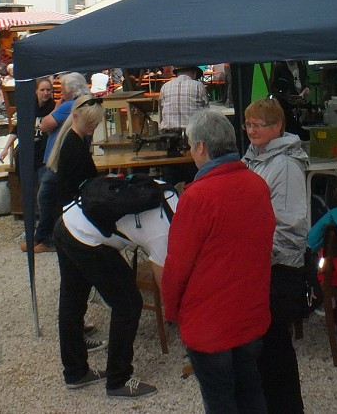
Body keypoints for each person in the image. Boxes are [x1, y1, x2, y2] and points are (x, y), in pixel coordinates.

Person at [162, 110, 275, 413]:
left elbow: (177, 266)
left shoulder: (197, 197)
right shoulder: (257, 184)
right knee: (251, 390)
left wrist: (171, 309)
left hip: (210, 323)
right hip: (250, 313)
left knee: (220, 400)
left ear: (201, 147)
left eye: (189, 145)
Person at [53, 160, 173, 398]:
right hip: (85, 238)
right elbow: (167, 290)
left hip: (66, 221)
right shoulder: (166, 231)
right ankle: (119, 380)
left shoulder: (167, 190)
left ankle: (75, 372)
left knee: (72, 301)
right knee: (128, 304)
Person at [242, 98, 308, 414]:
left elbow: (290, 224)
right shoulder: (256, 158)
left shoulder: (284, 164)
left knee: (275, 348)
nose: (252, 130)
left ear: (277, 127)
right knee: (264, 348)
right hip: (260, 266)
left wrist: (262, 261)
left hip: (278, 268)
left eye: (259, 125)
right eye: (249, 124)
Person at [26, 73, 90, 252]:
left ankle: (45, 239)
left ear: (70, 89)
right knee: (62, 197)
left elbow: (45, 125)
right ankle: (50, 238)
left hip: (58, 157)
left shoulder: (67, 105)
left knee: (45, 196)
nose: (59, 91)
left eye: (61, 88)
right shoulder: (85, 103)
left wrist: (56, 108)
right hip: (74, 157)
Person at [0, 77, 55, 164]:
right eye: (42, 90)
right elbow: (17, 129)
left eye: (48, 90)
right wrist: (6, 148)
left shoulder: (54, 107)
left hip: (44, 149)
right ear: (36, 91)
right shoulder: (28, 107)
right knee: (19, 155)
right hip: (28, 147)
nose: (45, 93)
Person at [157, 65, 208, 135]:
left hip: (168, 133)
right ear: (194, 73)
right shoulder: (198, 86)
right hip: (193, 132)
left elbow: (161, 111)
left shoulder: (165, 86)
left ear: (177, 73)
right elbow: (206, 111)